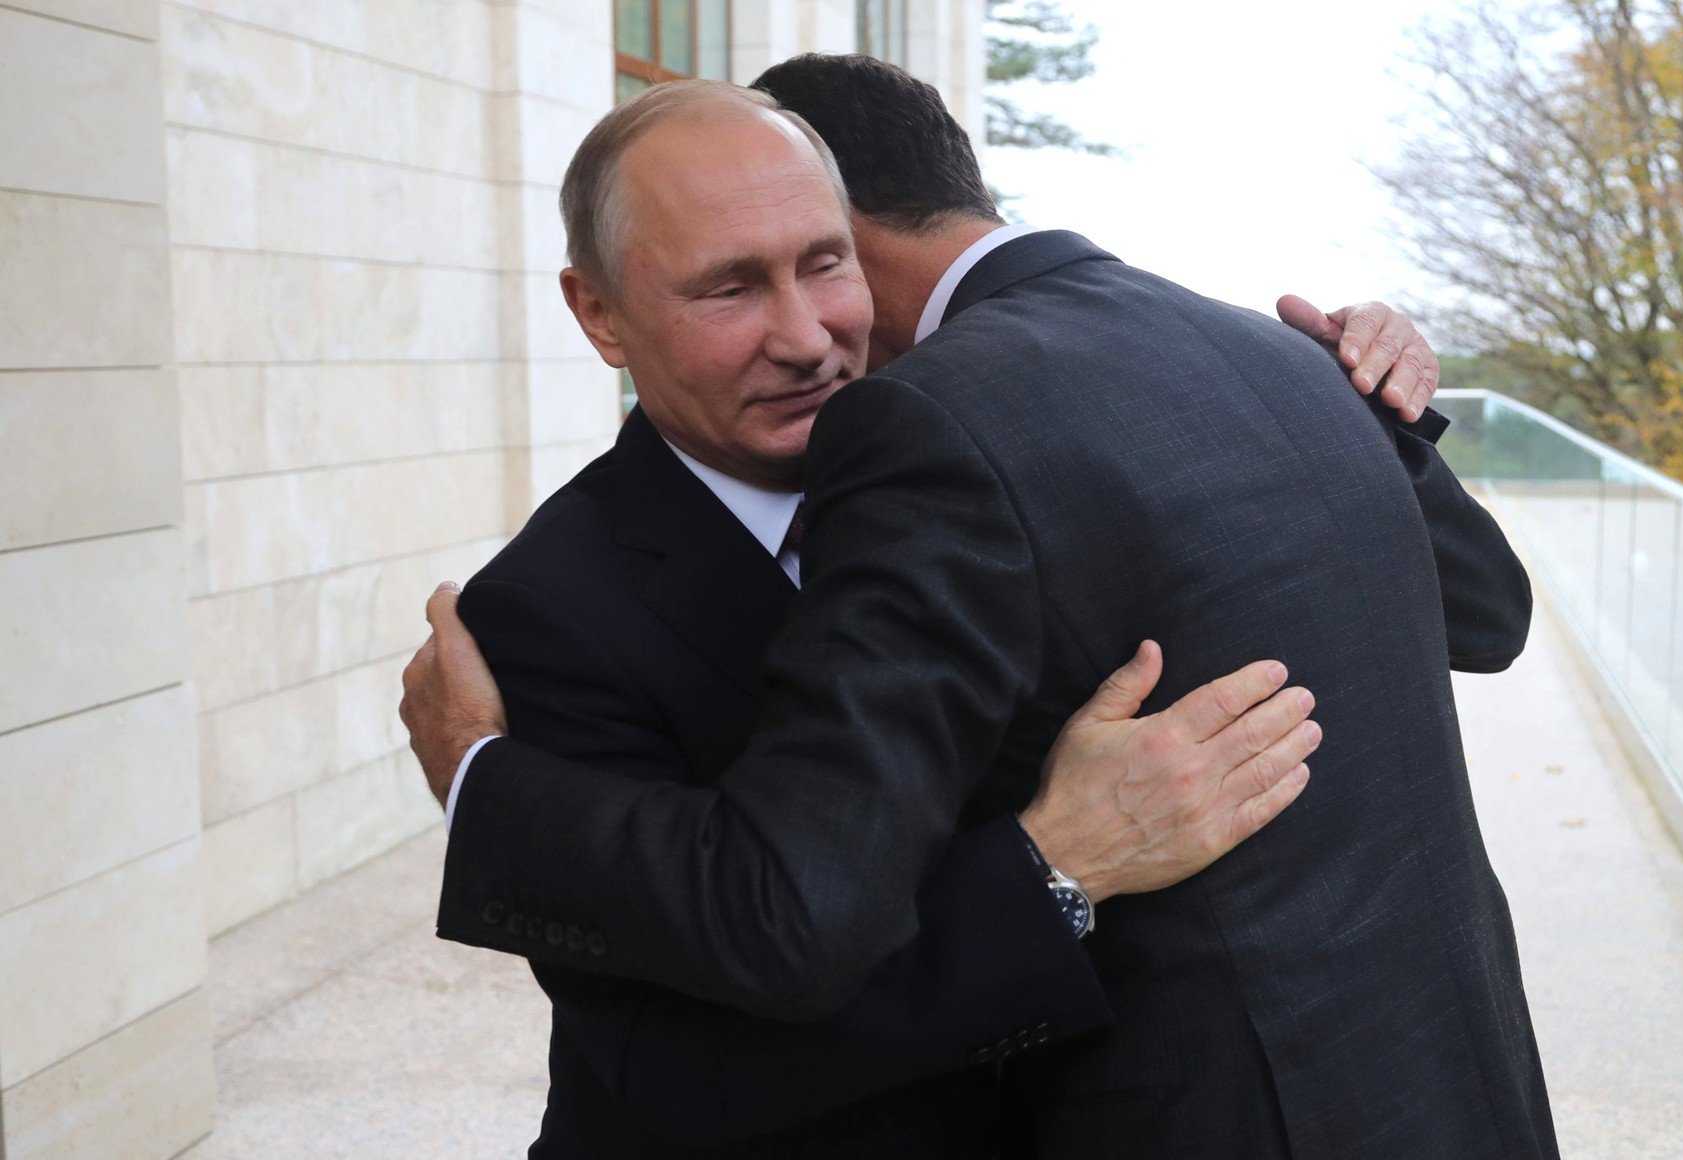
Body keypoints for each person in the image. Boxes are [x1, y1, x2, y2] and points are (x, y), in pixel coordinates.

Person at [404, 61, 1551, 1158]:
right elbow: (674, 1062)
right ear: (599, 315)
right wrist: (1057, 863)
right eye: (728, 286)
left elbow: (1478, 609)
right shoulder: (542, 617)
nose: (806, 337)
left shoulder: (988, 450)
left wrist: (1373, 405)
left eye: (825, 262)